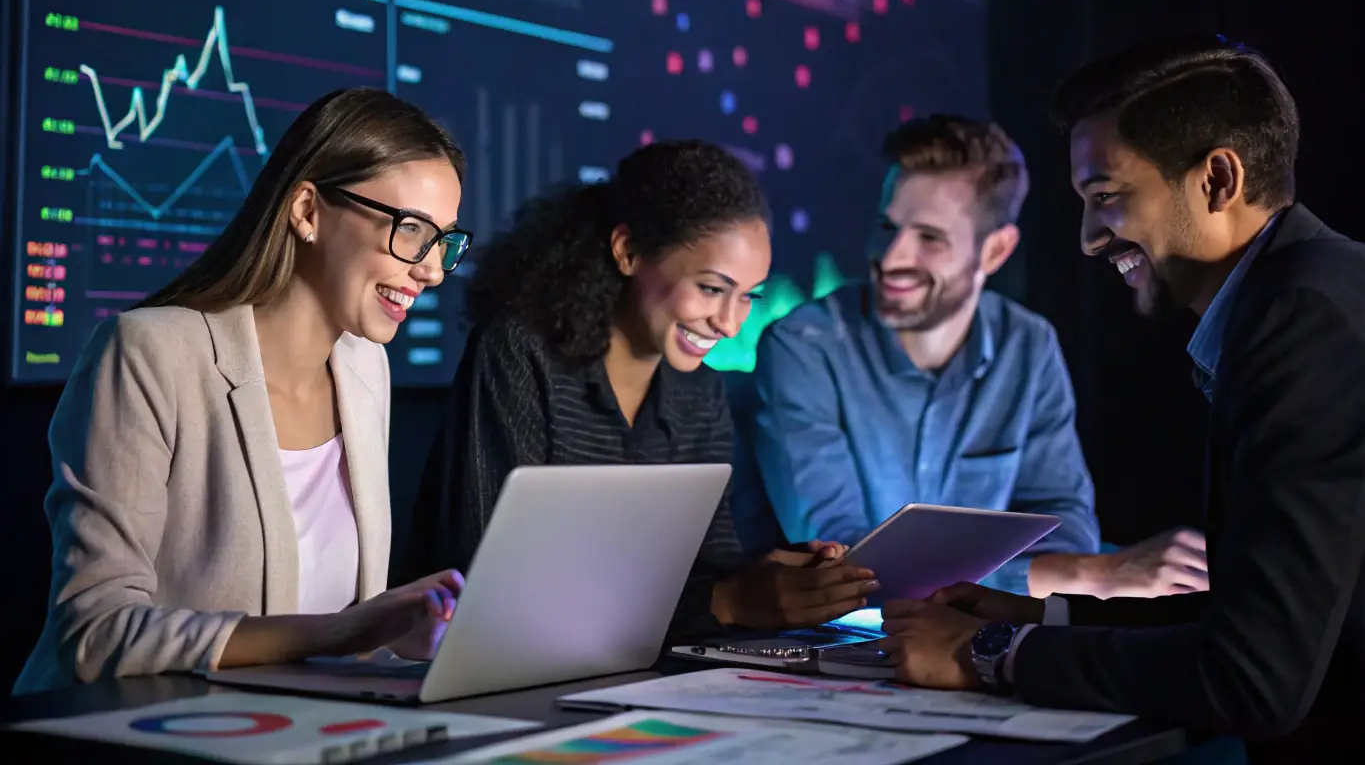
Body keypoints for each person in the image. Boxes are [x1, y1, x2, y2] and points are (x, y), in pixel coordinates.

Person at [880, 37, 1365, 762]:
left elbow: (1253, 677)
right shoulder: (1313, 291)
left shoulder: (1301, 323)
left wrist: (989, 652)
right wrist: (1042, 618)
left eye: (1104, 198)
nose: (1085, 239)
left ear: (1216, 180)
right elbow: (1274, 618)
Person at [16, 88, 473, 693]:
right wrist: (345, 631)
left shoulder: (366, 369)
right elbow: (93, 631)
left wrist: (394, 636)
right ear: (307, 210)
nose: (433, 269)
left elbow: (343, 643)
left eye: (444, 241)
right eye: (411, 229)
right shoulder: (149, 353)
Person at [405, 139, 879, 636]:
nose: (730, 324)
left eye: (748, 297)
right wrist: (726, 601)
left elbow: (705, 574)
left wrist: (776, 579)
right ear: (628, 251)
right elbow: (486, 582)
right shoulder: (519, 351)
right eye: (713, 289)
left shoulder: (700, 393)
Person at [748, 114, 1204, 597]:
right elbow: (842, 566)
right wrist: (1085, 575)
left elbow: (1065, 527)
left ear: (996, 251)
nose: (891, 256)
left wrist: (1074, 570)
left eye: (929, 238)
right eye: (887, 225)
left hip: (967, 639)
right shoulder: (803, 345)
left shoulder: (1028, 345)